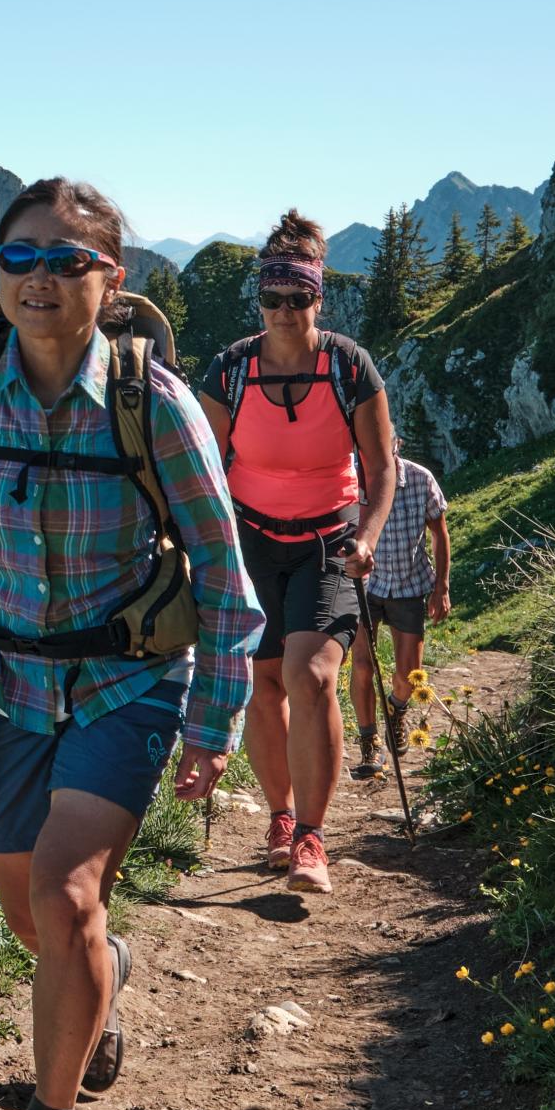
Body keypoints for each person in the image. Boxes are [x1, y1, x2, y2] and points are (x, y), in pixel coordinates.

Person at [0, 176, 263, 1110]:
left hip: (127, 681)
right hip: (2, 689)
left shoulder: (158, 406)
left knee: (64, 892)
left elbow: (227, 581)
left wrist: (211, 723)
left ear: (111, 277)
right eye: (18, 257)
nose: (38, 277)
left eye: (64, 258)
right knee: (32, 916)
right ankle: (99, 973)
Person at [192, 212, 397, 897]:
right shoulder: (232, 369)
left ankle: (312, 835)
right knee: (264, 683)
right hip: (248, 539)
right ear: (260, 299)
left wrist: (366, 537)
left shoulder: (347, 366)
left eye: (299, 297)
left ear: (318, 297)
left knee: (312, 677)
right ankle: (279, 819)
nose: (284, 311)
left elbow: (382, 465)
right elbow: (195, 467)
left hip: (327, 539)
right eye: (272, 298)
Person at [350, 452, 449, 777]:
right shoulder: (350, 477)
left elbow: (439, 534)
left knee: (410, 676)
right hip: (365, 584)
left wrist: (441, 588)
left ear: (395, 447)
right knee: (363, 665)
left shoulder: (420, 479)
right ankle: (370, 744)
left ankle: (396, 707)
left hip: (409, 586)